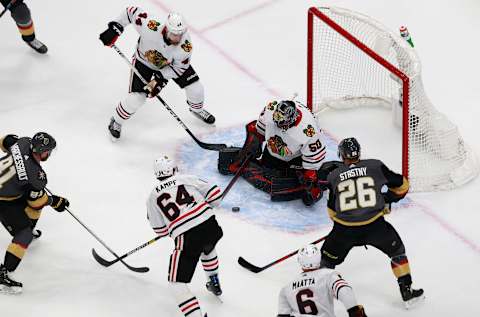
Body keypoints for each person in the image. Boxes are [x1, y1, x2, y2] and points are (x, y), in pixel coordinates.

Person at [318, 137, 424, 308]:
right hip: (376, 227)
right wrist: (386, 200)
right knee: (397, 252)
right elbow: (403, 185)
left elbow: (332, 211)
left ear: (341, 155)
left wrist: (342, 225)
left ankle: (319, 298)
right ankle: (407, 293)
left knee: (326, 260)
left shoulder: (334, 176)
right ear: (358, 152)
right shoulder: (375, 166)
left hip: (344, 231)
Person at [99, 7, 215, 141]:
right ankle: (116, 121)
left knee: (196, 89)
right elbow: (130, 12)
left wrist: (159, 79)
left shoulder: (185, 46)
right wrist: (116, 27)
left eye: (180, 34)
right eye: (174, 34)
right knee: (137, 98)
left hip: (169, 66)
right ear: (166, 29)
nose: (177, 38)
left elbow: (179, 69)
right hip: (144, 63)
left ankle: (197, 110)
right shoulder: (151, 25)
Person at [146, 156, 223, 317]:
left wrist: (173, 226)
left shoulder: (153, 196)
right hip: (211, 227)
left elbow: (160, 231)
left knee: (176, 283)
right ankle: (214, 280)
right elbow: (216, 195)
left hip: (187, 237)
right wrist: (205, 204)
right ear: (173, 169)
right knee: (207, 248)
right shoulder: (187, 178)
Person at [219, 100, 326, 206]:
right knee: (267, 171)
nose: (276, 121)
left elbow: (313, 162)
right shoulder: (270, 109)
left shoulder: (309, 131)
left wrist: (310, 180)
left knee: (293, 182)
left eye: (280, 119)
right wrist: (254, 144)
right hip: (271, 151)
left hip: (295, 159)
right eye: (276, 116)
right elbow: (258, 131)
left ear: (291, 119)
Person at [0, 132, 69, 294]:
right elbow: (36, 201)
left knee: (32, 210)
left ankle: (28, 232)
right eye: (48, 151)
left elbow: (4, 141)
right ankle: (2, 274)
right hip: (3, 200)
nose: (49, 154)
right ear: (41, 151)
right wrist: (55, 201)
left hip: (7, 189)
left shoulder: (23, 142)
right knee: (24, 235)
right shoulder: (37, 175)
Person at [277, 244, 367, 317]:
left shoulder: (286, 287)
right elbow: (344, 290)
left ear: (300, 261)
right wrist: (354, 311)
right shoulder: (328, 275)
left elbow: (282, 315)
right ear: (319, 257)